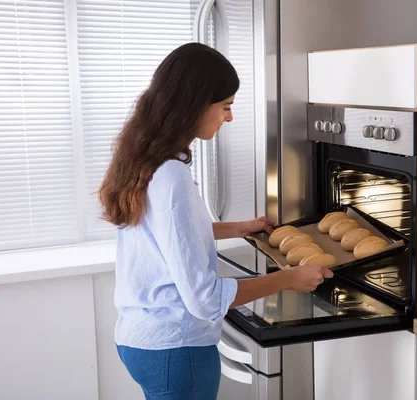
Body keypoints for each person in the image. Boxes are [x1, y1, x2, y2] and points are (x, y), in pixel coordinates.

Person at [98, 42, 333, 400]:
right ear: (194, 104)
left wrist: (237, 228)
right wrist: (287, 278)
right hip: (176, 350)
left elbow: (167, 234)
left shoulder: (144, 159)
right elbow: (204, 299)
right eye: (225, 106)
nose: (229, 117)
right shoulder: (171, 175)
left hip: (138, 339)